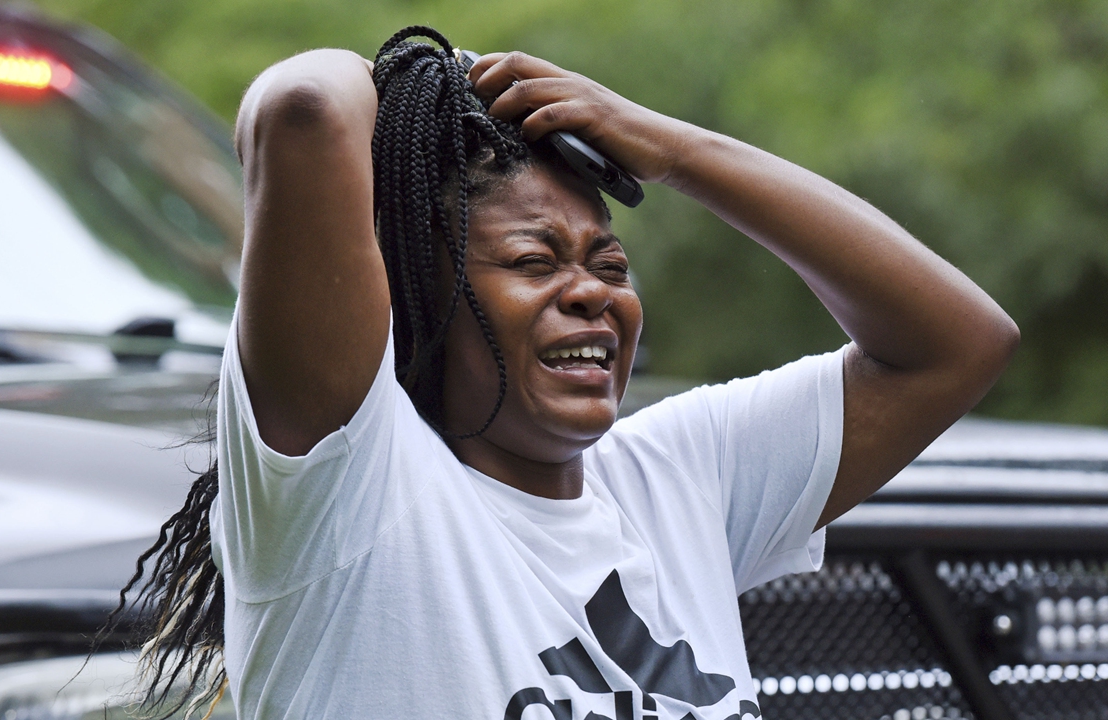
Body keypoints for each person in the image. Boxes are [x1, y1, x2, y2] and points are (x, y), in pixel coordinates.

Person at [113, 25, 1018, 720]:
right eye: (534, 261)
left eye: (611, 267)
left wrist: (670, 149)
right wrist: (440, 81)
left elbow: (955, 341)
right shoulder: (348, 492)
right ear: (418, 295)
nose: (592, 294)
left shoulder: (674, 482)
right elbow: (304, 109)